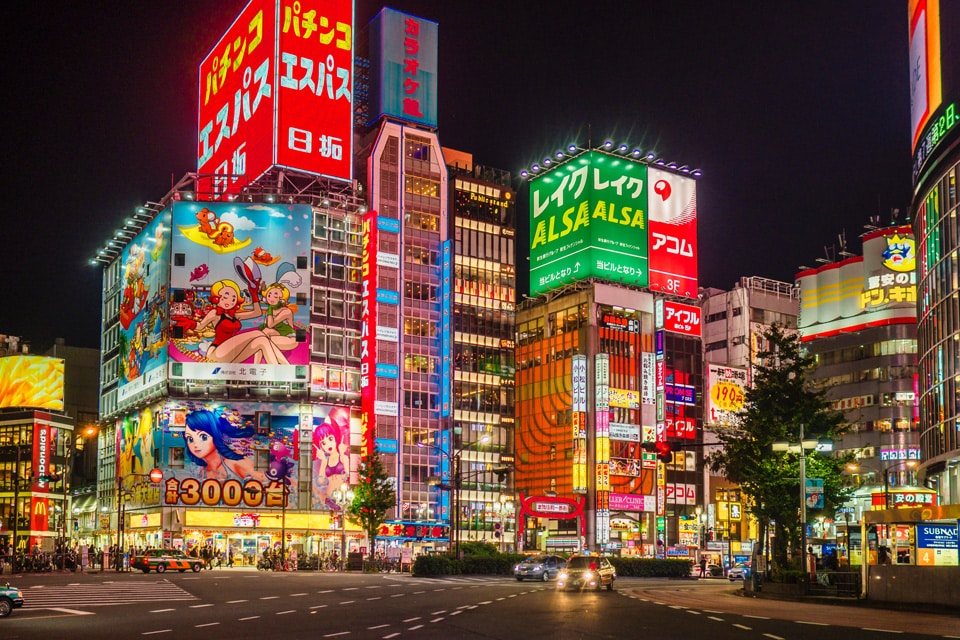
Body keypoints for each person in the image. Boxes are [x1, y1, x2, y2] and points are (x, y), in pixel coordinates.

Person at [193, 279, 289, 365]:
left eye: (233, 298)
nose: (230, 301)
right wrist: (185, 323)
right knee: (258, 333)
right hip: (216, 353)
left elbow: (257, 312)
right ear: (217, 297)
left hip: (232, 353)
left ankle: (282, 368)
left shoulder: (234, 315)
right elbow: (200, 326)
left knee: (262, 340)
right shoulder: (215, 313)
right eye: (225, 297)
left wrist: (254, 294)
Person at [184, 409, 268, 482]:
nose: (195, 445)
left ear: (215, 435)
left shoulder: (233, 462)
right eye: (190, 439)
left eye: (203, 437)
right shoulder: (200, 470)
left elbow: (265, 482)